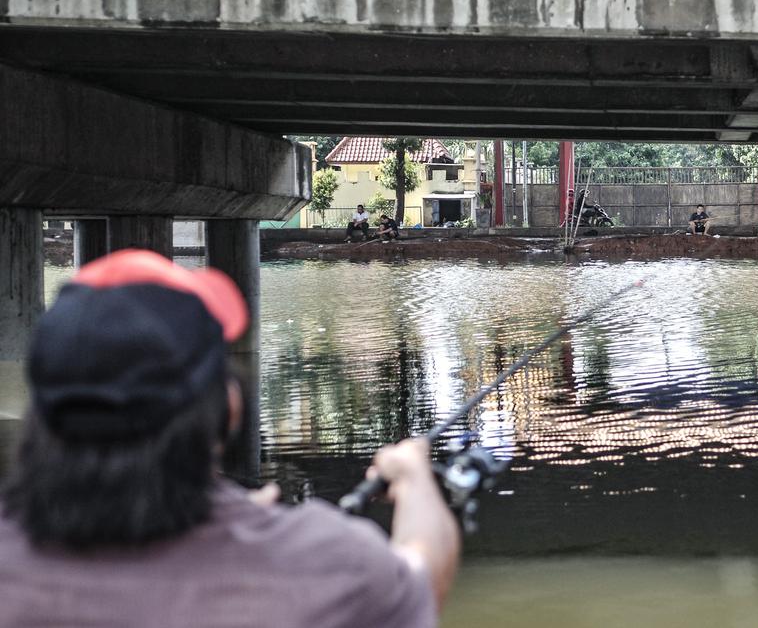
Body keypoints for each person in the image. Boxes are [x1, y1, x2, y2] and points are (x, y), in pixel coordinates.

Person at [0, 250, 460, 627]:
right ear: (230, 408)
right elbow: (423, 571)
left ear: (40, 413)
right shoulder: (330, 565)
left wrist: (228, 514)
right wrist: (413, 475)